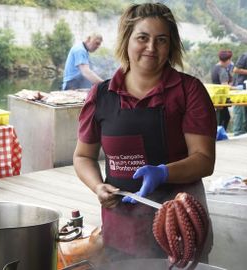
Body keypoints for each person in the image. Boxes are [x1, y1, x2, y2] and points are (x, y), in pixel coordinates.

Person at [73, 3, 216, 263]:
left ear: (170, 46)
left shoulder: (189, 91)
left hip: (180, 226)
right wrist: (97, 186)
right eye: (142, 38)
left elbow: (204, 159)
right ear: (127, 40)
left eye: (161, 40)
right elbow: (83, 156)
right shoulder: (101, 96)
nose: (151, 47)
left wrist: (163, 172)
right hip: (121, 228)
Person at [211, 50, 233, 131]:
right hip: (221, 98)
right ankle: (220, 135)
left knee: (224, 117)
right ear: (227, 60)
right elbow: (225, 86)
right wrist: (236, 88)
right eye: (230, 60)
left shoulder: (215, 67)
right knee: (224, 118)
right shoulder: (222, 70)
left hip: (217, 97)